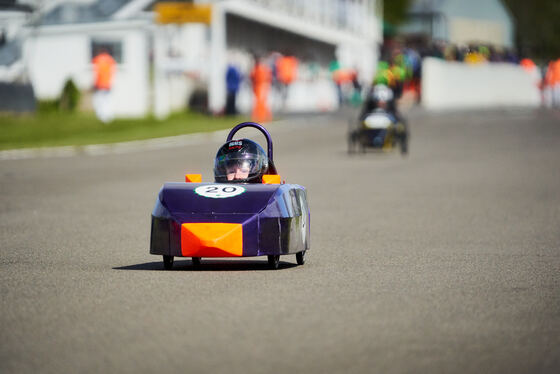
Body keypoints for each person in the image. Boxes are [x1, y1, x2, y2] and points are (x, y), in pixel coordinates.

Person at [92, 48, 116, 123]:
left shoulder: (97, 59)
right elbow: (113, 71)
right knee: (108, 100)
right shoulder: (110, 59)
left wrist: (95, 83)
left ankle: (102, 116)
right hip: (108, 83)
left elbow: (96, 72)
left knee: (100, 101)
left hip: (100, 83)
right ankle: (108, 116)